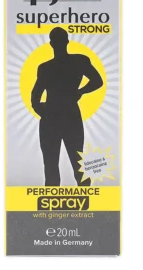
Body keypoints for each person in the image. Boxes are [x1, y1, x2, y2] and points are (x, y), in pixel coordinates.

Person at [31, 27, 103, 186]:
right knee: (64, 164)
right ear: (66, 41)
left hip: (60, 116)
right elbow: (35, 96)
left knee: (72, 164)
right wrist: (79, 92)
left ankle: (78, 197)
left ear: (51, 44)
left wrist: (43, 111)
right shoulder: (75, 62)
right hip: (63, 116)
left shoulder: (50, 67)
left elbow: (35, 97)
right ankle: (73, 198)